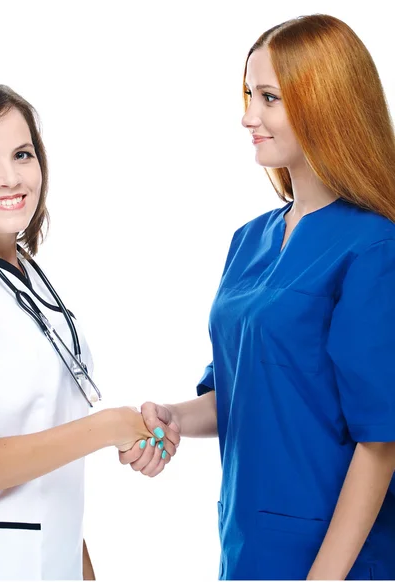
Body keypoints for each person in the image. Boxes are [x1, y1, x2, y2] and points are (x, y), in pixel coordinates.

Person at [120, 14, 395, 580]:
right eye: (249, 94)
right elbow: (241, 391)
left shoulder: (373, 247)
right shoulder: (250, 240)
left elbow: (382, 441)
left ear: (326, 104)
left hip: (340, 558)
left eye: (269, 98)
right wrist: (173, 417)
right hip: (248, 545)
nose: (248, 117)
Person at [0, 82, 176, 581]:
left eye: (22, 154)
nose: (10, 178)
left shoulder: (22, 277)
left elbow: (46, 465)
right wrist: (108, 428)